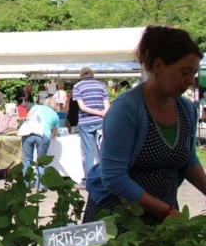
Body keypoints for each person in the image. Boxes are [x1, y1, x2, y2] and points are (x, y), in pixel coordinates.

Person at [85, 25, 206, 227]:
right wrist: (166, 211)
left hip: (164, 216)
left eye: (193, 73)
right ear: (159, 66)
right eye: (184, 72)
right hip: (120, 219)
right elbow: (114, 177)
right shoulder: (127, 109)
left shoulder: (187, 109)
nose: (190, 81)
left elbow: (189, 159)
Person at [73, 67, 110, 188]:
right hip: (101, 122)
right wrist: (101, 113)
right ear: (92, 74)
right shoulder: (101, 85)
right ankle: (105, 178)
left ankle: (88, 181)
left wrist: (98, 113)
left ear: (81, 75)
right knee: (103, 151)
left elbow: (82, 107)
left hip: (86, 122)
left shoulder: (78, 86)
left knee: (88, 153)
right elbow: (107, 106)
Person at [21, 98, 60, 192]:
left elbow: (27, 117)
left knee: (27, 160)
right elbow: (55, 133)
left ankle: (25, 185)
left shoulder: (36, 106)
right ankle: (41, 186)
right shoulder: (55, 115)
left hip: (28, 133)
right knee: (41, 161)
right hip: (43, 135)